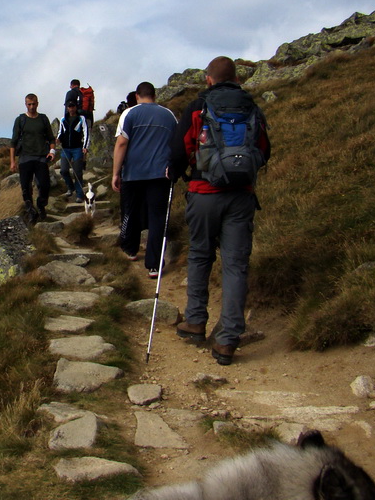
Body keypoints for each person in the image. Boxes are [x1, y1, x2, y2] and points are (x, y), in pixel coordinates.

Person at [170, 56, 271, 366]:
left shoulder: (199, 105)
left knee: (201, 254)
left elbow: (180, 149)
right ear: (236, 78)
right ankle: (228, 340)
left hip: (203, 193)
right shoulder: (251, 107)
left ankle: (196, 322)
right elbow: (264, 150)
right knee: (236, 264)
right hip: (241, 196)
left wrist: (178, 173)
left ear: (208, 79)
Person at [112, 81, 178, 279]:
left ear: (138, 95)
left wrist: (116, 173)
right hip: (160, 174)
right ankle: (154, 264)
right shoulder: (169, 115)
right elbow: (176, 144)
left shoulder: (129, 113)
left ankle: (131, 249)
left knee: (130, 211)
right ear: (154, 95)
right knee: (157, 217)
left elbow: (122, 143)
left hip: (133, 173)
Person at [10, 93, 56, 223]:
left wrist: (52, 151)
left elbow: (51, 138)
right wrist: (12, 161)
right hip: (25, 158)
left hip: (41, 157)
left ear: (37, 103)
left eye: (34, 104)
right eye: (29, 104)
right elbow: (13, 142)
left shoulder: (43, 119)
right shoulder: (20, 120)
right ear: (25, 104)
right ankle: (31, 211)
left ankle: (41, 205)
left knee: (45, 185)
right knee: (25, 186)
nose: (31, 106)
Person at [56, 99, 90, 203]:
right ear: (67, 108)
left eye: (73, 106)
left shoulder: (81, 119)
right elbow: (60, 132)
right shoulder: (63, 119)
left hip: (77, 148)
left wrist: (85, 146)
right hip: (65, 148)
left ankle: (79, 195)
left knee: (77, 172)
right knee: (64, 170)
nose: (71, 108)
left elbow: (86, 132)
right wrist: (58, 139)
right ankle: (71, 188)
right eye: (69, 106)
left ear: (76, 107)